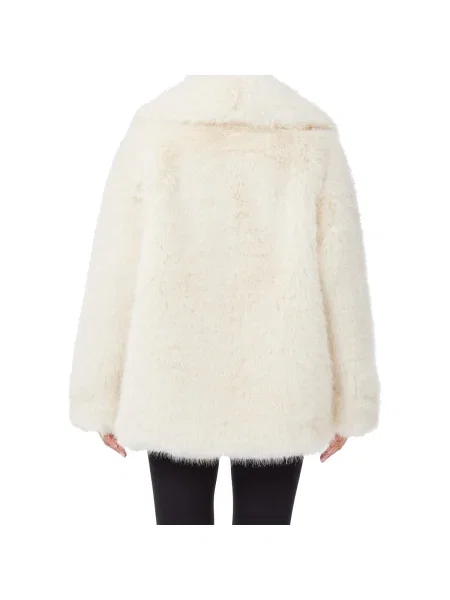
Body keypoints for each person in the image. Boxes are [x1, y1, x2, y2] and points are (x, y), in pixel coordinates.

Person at [69, 75, 380, 525]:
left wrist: (99, 394)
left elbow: (116, 268)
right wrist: (350, 400)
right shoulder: (310, 135)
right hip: (281, 381)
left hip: (172, 378)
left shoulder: (156, 130)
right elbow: (342, 274)